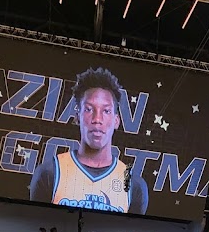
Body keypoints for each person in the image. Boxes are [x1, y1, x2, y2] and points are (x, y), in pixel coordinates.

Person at [30, 67, 149, 213]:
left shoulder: (133, 184)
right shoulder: (50, 173)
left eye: (106, 111)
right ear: (77, 117)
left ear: (116, 121)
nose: (97, 119)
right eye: (89, 109)